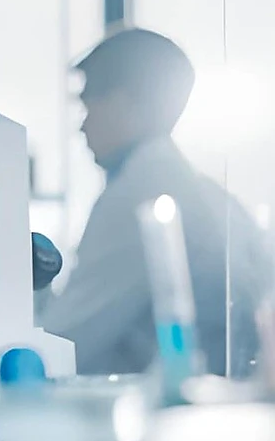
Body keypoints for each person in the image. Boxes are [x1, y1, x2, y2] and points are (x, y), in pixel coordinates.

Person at [41, 28, 269, 377]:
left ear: (125, 103)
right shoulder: (204, 192)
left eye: (89, 106)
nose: (82, 127)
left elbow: (63, 343)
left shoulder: (142, 192)